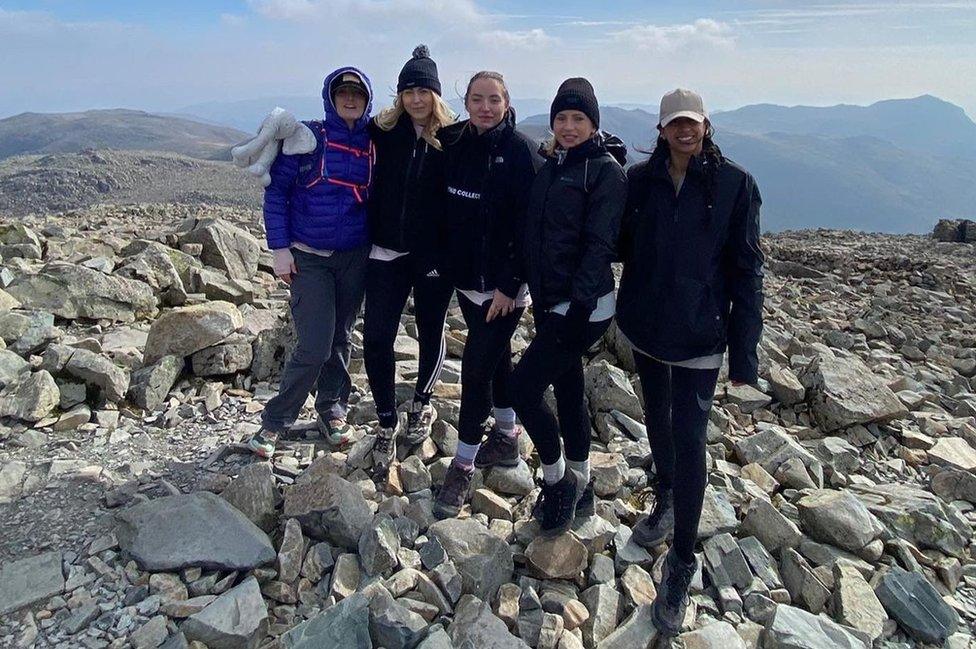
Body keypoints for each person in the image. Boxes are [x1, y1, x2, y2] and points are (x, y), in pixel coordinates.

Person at [616, 88, 764, 635]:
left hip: (702, 332)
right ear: (661, 129)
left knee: (692, 434)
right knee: (657, 417)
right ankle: (667, 497)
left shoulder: (734, 185)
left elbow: (748, 269)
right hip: (649, 326)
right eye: (675, 123)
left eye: (693, 123)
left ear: (706, 125)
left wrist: (744, 355)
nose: (685, 131)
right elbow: (615, 243)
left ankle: (681, 560)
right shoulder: (638, 182)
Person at [509, 78, 627, 537]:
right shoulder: (554, 164)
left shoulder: (603, 172)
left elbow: (600, 244)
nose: (568, 126)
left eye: (578, 118)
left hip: (582, 306)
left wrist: (577, 307)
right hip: (550, 299)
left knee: (521, 389)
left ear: (593, 123)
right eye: (561, 118)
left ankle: (557, 482)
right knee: (568, 386)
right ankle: (583, 482)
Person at [431, 71, 543, 519]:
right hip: (466, 280)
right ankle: (508, 437)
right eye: (476, 99)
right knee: (496, 359)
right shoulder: (455, 142)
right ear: (466, 101)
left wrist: (510, 285)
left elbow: (527, 226)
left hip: (504, 290)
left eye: (493, 99)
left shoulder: (521, 152)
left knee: (476, 370)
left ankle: (462, 465)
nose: (484, 107)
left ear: (506, 102)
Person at [247, 67, 375, 458]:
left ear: (367, 99)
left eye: (357, 92)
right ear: (331, 97)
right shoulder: (308, 139)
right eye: (342, 92)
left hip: (354, 256)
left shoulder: (375, 143)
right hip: (309, 258)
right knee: (316, 344)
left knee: (341, 337)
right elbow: (276, 193)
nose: (350, 98)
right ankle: (275, 421)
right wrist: (279, 248)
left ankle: (332, 409)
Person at [363, 45, 456, 476]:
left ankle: (421, 402)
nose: (415, 99)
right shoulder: (382, 131)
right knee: (377, 337)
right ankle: (385, 419)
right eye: (408, 91)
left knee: (431, 331)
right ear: (399, 95)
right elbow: (339, 142)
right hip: (385, 249)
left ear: (435, 95)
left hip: (432, 255)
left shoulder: (452, 139)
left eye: (423, 91)